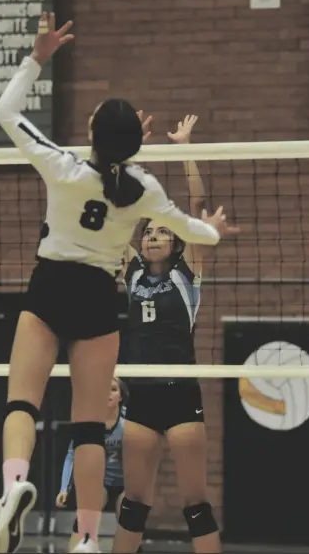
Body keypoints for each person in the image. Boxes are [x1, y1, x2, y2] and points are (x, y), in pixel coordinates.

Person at [0, 12, 230, 554]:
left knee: (21, 404)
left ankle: (12, 487)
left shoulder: (63, 166)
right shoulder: (142, 188)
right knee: (89, 427)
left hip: (51, 284)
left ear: (92, 133)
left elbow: (4, 110)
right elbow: (195, 231)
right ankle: (87, 539)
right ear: (131, 147)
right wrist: (209, 231)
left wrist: (38, 56)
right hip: (100, 296)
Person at [112, 115, 239, 554]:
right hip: (141, 396)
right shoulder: (130, 272)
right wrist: (130, 155)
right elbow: (119, 210)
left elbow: (198, 206)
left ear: (177, 242)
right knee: (133, 505)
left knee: (196, 505)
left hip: (181, 392)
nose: (152, 237)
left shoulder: (189, 272)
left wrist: (184, 147)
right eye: (148, 232)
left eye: (162, 231)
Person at [56, 377, 128, 552]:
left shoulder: (129, 424)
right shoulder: (90, 423)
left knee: (130, 517)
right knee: (84, 515)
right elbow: (72, 455)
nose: (108, 394)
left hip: (126, 483)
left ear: (121, 397)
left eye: (113, 389)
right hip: (101, 481)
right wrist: (64, 488)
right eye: (104, 389)